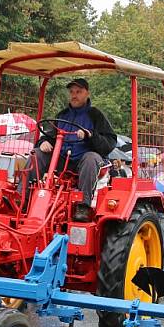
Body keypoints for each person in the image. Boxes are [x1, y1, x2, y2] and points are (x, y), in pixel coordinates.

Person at [26, 78, 116, 222]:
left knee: (91, 158)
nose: (74, 95)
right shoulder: (62, 115)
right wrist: (43, 142)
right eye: (72, 92)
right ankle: (23, 198)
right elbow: (49, 136)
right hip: (62, 159)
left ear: (87, 93)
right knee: (36, 154)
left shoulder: (96, 115)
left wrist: (90, 136)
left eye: (78, 92)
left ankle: (84, 206)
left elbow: (110, 143)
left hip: (84, 161)